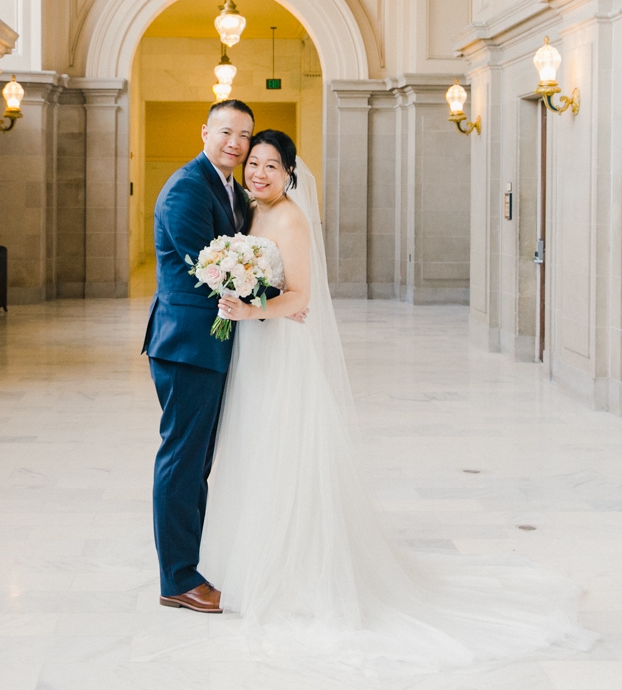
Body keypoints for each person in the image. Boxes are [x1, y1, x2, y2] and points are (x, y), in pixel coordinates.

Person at [197, 129, 596, 670]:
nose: (259, 173)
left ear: (291, 173)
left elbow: (302, 295)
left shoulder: (289, 216)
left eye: (272, 165)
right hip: (257, 349)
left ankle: (297, 574)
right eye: (255, 163)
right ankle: (250, 563)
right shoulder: (250, 214)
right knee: (254, 453)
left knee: (286, 455)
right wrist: (242, 292)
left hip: (282, 354)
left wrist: (249, 308)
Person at [141, 99, 255, 613]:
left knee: (197, 461)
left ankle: (189, 563)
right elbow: (208, 270)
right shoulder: (188, 188)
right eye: (226, 131)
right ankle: (178, 579)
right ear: (205, 130)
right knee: (183, 460)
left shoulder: (228, 187)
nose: (235, 142)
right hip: (187, 344)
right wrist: (266, 295)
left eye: (245, 135)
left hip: (206, 342)